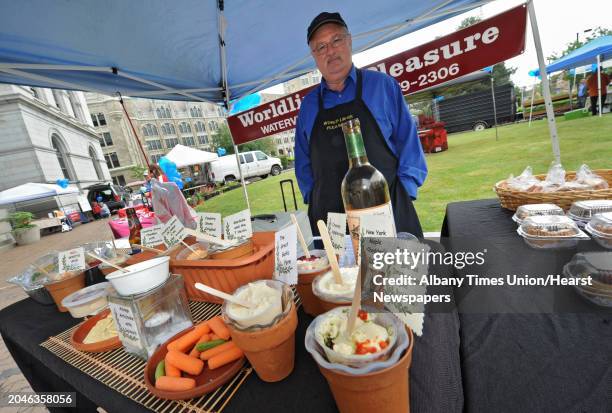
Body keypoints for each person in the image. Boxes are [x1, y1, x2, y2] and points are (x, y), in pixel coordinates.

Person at [294, 12, 427, 238]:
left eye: (336, 40)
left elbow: (409, 146)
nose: (330, 51)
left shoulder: (383, 87)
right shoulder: (307, 106)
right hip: (332, 226)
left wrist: (402, 195)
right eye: (321, 47)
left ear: (349, 40)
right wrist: (316, 199)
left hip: (389, 214)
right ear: (314, 55)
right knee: (337, 276)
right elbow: (303, 165)